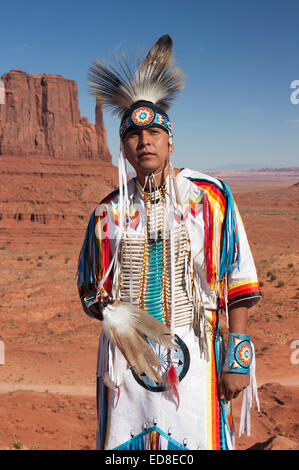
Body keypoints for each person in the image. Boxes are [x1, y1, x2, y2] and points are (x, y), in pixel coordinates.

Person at [77, 35, 262, 450]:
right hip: (127, 364)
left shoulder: (209, 197)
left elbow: (238, 279)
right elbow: (90, 291)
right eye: (133, 135)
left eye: (154, 131)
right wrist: (117, 317)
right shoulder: (108, 213)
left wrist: (238, 357)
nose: (144, 141)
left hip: (197, 357)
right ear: (123, 149)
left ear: (170, 140)